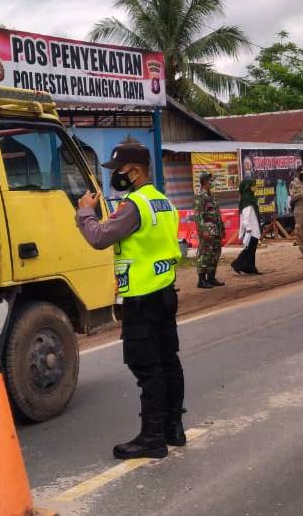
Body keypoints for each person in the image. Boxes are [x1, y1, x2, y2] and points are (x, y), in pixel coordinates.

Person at [74, 141, 186, 460]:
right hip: (165, 293)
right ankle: (173, 428)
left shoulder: (134, 205)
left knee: (148, 368)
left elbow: (98, 237)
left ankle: (152, 438)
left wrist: (85, 211)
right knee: (168, 362)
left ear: (134, 171)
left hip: (141, 299)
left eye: (118, 171)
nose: (115, 177)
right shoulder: (162, 201)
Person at [193, 172, 225, 288]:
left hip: (216, 231)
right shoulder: (200, 196)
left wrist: (222, 228)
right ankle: (201, 280)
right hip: (207, 231)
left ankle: (211, 277)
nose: (212, 182)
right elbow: (198, 215)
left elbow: (217, 214)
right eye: (211, 180)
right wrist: (203, 230)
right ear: (205, 181)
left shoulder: (212, 196)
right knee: (205, 255)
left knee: (215, 254)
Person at [231, 178, 261, 275]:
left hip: (254, 229)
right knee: (249, 250)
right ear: (248, 187)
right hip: (251, 230)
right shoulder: (247, 199)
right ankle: (237, 264)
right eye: (253, 185)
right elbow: (245, 216)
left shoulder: (250, 198)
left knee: (252, 250)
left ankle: (250, 268)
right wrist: (248, 229)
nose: (255, 187)